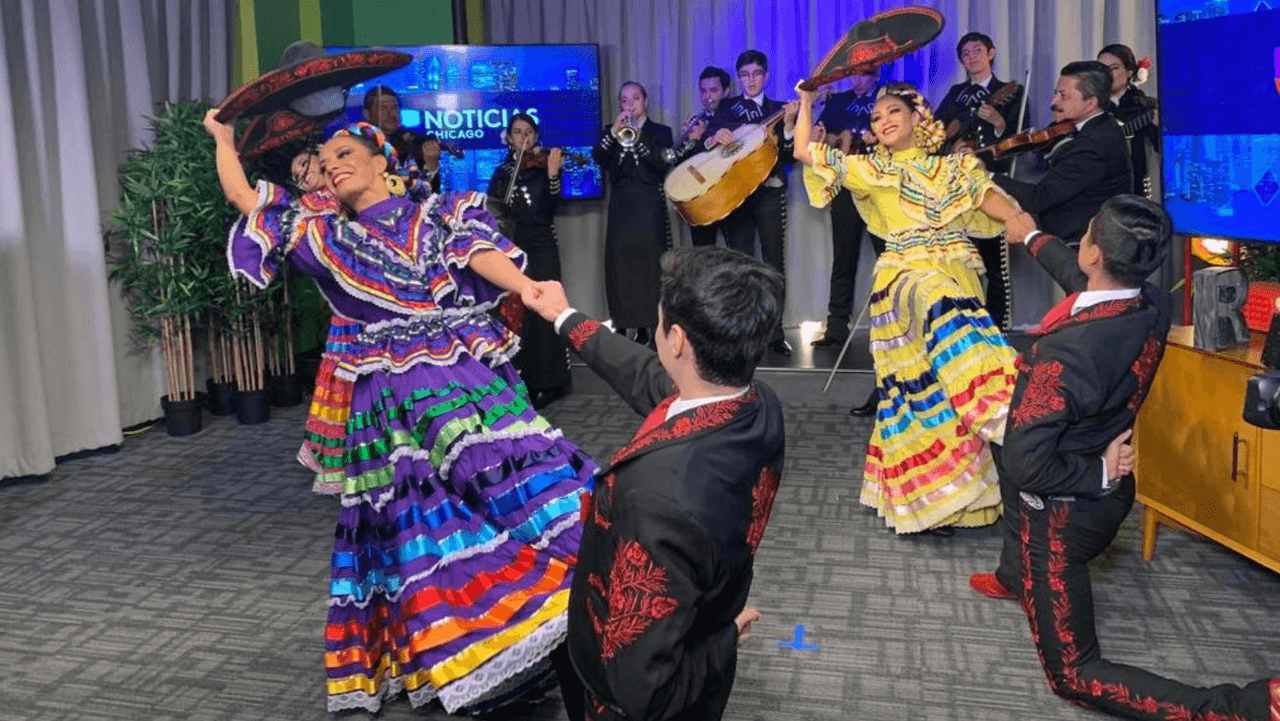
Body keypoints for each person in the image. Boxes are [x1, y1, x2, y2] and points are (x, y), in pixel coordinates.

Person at [205, 111, 599, 714]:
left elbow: (478, 252)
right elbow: (243, 197)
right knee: (422, 527)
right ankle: (475, 650)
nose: (332, 165)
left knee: (523, 485)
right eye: (325, 159)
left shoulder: (439, 215)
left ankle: (605, 595)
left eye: (344, 153)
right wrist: (223, 139)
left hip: (464, 371)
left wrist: (528, 289)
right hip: (387, 397)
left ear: (383, 162)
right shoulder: (325, 235)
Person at [972, 196, 1280, 721]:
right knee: (1008, 460)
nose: (1082, 249)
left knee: (1073, 674)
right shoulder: (1149, 304)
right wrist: (1029, 232)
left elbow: (1030, 467)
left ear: (1094, 251)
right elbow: (1083, 282)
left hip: (1065, 514)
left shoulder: (1063, 353)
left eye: (1087, 236)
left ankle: (1243, 708)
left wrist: (1097, 469)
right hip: (1112, 494)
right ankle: (1014, 574)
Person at [521, 246, 785, 721]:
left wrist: (723, 642)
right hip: (699, 611)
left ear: (677, 340)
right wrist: (564, 317)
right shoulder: (756, 404)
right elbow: (648, 377)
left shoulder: (656, 497)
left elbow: (646, 691)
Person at [794, 83, 1029, 535]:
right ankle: (1013, 405)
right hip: (907, 279)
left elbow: (985, 197)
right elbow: (805, 151)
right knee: (933, 336)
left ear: (919, 117)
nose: (882, 120)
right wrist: (806, 101)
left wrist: (1015, 218)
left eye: (893, 111)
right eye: (876, 116)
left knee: (941, 393)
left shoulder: (955, 167)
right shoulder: (870, 169)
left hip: (959, 275)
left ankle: (951, 502)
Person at [705, 50, 800, 355]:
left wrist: (788, 126)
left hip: (770, 193)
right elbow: (706, 141)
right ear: (739, 78)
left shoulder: (779, 108)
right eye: (744, 75)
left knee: (773, 264)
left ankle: (774, 334)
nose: (751, 80)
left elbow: (788, 158)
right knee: (740, 264)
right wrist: (713, 137)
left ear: (766, 75)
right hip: (736, 197)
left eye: (756, 73)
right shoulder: (728, 106)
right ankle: (742, 333)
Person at [935, 31, 1025, 331]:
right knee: (961, 259)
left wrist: (999, 124)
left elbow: (1022, 136)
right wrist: (951, 147)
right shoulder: (955, 93)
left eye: (977, 50)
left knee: (995, 262)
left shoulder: (1010, 90)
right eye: (965, 53)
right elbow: (936, 134)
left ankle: (998, 326)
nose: (971, 56)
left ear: (991, 53)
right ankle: (966, 324)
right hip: (957, 185)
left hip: (991, 181)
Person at [992, 61, 1131, 246]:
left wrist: (989, 176)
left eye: (1063, 96)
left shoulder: (1090, 145)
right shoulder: (1102, 124)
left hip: (1085, 246)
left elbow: (1039, 198)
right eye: (1055, 93)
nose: (1053, 102)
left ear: (1090, 103)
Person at [485, 113, 571, 409]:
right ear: (509, 138)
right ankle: (521, 379)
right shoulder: (502, 172)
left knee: (544, 310)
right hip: (513, 245)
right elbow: (494, 212)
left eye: (529, 133)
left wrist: (552, 176)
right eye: (518, 133)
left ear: (536, 137)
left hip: (543, 243)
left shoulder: (545, 165)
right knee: (515, 310)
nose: (524, 138)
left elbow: (552, 205)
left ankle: (551, 381)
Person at [593, 81, 673, 346]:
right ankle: (624, 322)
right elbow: (599, 158)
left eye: (635, 99)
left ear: (645, 101)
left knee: (649, 266)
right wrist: (615, 133)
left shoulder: (660, 131)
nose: (630, 105)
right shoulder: (611, 132)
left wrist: (638, 139)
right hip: (621, 206)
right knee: (621, 266)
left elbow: (661, 164)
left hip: (649, 204)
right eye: (625, 100)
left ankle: (651, 325)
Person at [811, 69, 885, 351]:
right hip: (845, 183)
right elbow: (822, 133)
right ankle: (836, 326)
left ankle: (892, 326)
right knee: (843, 256)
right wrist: (826, 136)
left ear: (875, 75)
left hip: (879, 183)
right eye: (854, 75)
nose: (858, 81)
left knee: (887, 256)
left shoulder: (884, 98)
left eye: (864, 76)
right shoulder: (838, 100)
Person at [674, 66, 731, 248]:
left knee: (737, 255)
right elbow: (683, 163)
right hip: (702, 198)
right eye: (703, 90)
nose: (708, 96)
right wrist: (690, 142)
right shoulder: (696, 120)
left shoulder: (734, 117)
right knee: (702, 255)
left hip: (729, 194)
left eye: (714, 90)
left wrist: (703, 136)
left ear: (726, 92)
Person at [1099, 44, 1159, 198]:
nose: (1107, 74)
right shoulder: (1091, 107)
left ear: (1129, 72)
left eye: (1114, 68)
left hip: (1134, 190)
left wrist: (1160, 127)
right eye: (1101, 69)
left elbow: (1164, 149)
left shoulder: (1147, 106)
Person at [363, 84, 442, 194]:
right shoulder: (360, 145)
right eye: (383, 108)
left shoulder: (411, 143)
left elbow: (429, 196)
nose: (391, 114)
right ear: (367, 114)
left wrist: (431, 166)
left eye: (394, 108)